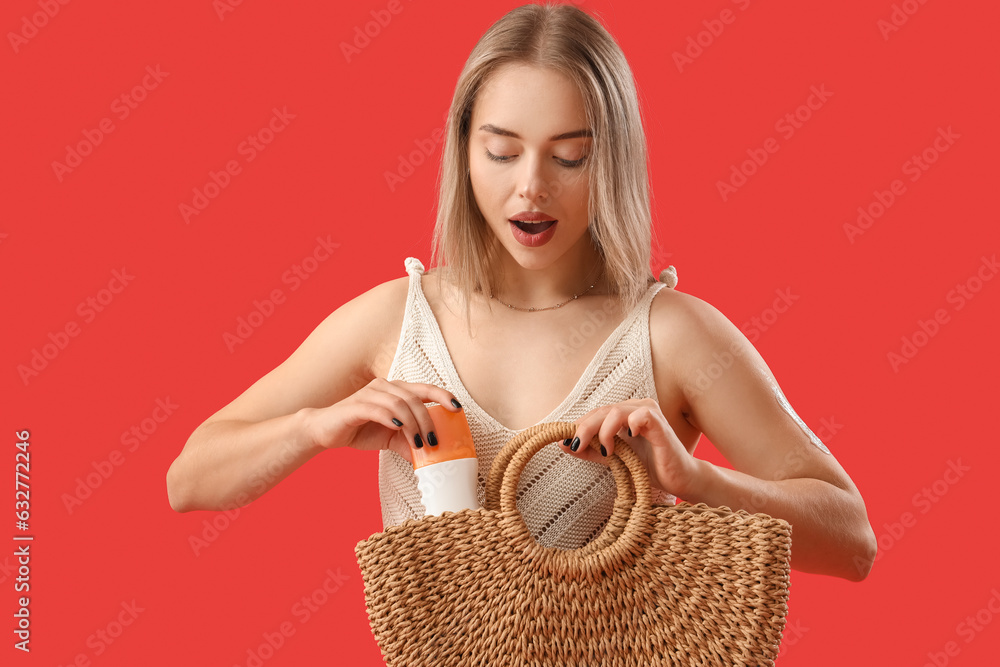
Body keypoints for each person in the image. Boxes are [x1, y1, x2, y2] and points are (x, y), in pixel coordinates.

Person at [166, 2, 876, 582]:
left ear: (615, 159)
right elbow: (189, 479)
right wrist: (311, 429)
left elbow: (852, 541)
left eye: (571, 156)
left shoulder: (671, 335)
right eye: (502, 152)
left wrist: (695, 479)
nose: (530, 186)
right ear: (463, 147)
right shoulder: (394, 321)